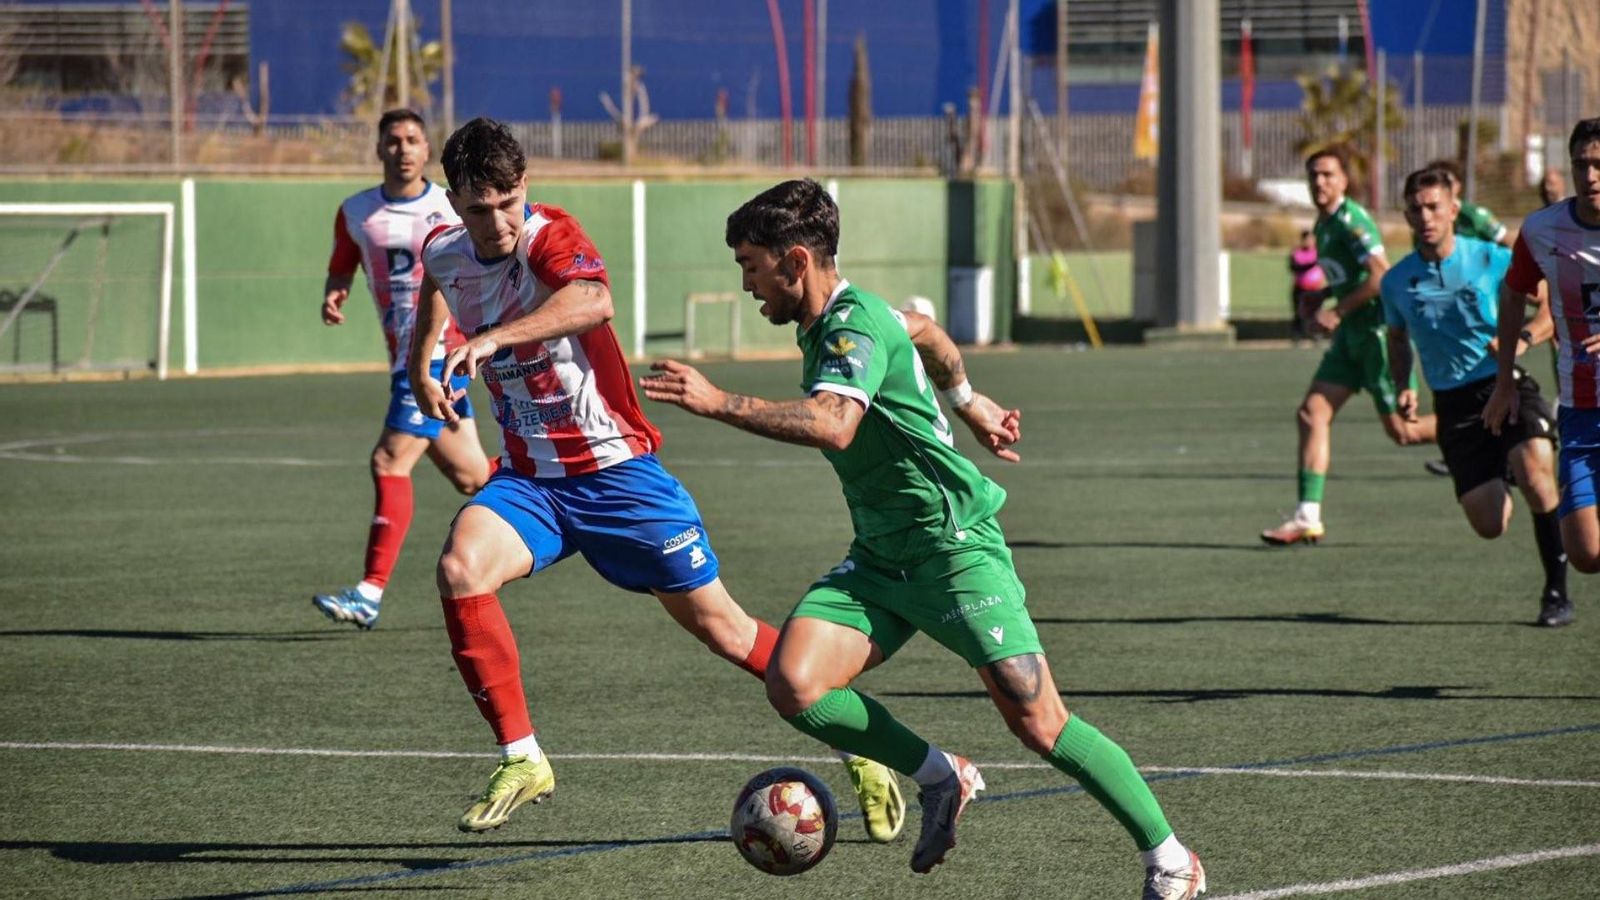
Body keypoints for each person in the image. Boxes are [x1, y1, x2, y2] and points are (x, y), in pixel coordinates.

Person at [640, 178, 1205, 898]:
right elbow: (927, 332)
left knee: (1038, 720)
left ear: (797, 261)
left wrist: (718, 401)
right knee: (795, 684)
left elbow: (833, 422)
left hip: (953, 547)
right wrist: (969, 401)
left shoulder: (852, 329)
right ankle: (943, 775)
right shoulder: (853, 320)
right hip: (880, 557)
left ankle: (1171, 858)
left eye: (752, 265)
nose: (747, 284)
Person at [408, 118, 903, 838]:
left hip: (619, 476)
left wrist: (487, 338)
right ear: (455, 202)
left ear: (525, 188)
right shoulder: (445, 248)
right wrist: (426, 360)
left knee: (728, 633)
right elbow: (437, 282)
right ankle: (523, 757)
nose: (497, 221)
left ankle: (864, 747)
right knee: (460, 567)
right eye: (479, 207)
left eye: (508, 200)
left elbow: (593, 301)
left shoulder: (549, 236)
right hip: (530, 482)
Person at [313, 109, 492, 629]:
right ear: (378, 148)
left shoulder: (450, 205)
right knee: (472, 475)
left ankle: (368, 592)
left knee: (390, 461)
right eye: (393, 140)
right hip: (402, 354)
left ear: (427, 147)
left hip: (440, 354)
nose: (404, 149)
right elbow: (343, 260)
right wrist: (335, 291)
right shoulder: (356, 211)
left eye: (414, 139)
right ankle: (555, 495)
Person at [1381, 168, 1569, 627]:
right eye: (1416, 209)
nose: (1425, 217)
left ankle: (1557, 594)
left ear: (1453, 210)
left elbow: (1549, 307)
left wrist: (1521, 340)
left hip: (1504, 382)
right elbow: (1398, 339)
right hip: (1454, 404)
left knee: (1537, 475)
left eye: (1433, 207)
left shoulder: (1491, 258)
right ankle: (1501, 466)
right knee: (1490, 525)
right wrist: (1404, 383)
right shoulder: (1396, 281)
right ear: (1406, 214)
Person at [1261, 146, 1436, 546]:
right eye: (1313, 176)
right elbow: (1350, 276)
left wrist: (1337, 310)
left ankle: (1483, 429)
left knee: (1404, 432)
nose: (1319, 182)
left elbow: (1380, 277)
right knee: (1311, 414)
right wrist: (1321, 294)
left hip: (1377, 336)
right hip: (1350, 340)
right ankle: (1308, 515)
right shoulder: (1322, 224)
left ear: (1344, 180)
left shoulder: (1352, 221)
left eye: (1327, 175)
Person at [1486, 117, 1600, 622]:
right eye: (1583, 164)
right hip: (1581, 409)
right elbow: (1513, 294)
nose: (1591, 175)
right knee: (1585, 553)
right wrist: (1504, 379)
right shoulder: (1541, 230)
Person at [1288, 229, 1327, 344]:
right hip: (1300, 288)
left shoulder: (1318, 252)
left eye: (1311, 239)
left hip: (1315, 288)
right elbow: (1294, 267)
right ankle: (1297, 335)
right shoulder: (1296, 253)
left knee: (1316, 313)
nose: (1308, 242)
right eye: (1306, 239)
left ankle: (1316, 334)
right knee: (1298, 313)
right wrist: (1313, 264)